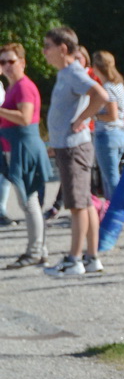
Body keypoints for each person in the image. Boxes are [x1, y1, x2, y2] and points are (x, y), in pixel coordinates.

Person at [41, 26, 110, 277]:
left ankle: (74, 259)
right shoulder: (65, 73)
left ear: (62, 48)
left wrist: (81, 119)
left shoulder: (73, 73)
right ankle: (91, 257)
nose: (44, 51)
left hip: (73, 147)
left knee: (77, 205)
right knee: (86, 202)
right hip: (68, 146)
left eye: (48, 46)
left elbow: (100, 95)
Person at [0, 42, 51, 268]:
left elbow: (25, 117)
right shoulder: (13, 86)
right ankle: (39, 249)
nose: (7, 66)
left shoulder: (23, 86)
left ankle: (35, 251)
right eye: (2, 62)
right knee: (29, 201)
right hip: (16, 147)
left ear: (22, 62)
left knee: (28, 200)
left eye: (11, 61)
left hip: (24, 148)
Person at [91, 50, 124, 203]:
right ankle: (111, 207)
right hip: (119, 133)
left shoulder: (108, 88)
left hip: (107, 134)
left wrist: (94, 116)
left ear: (97, 67)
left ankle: (116, 208)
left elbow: (112, 115)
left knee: (110, 177)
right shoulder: (118, 84)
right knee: (111, 176)